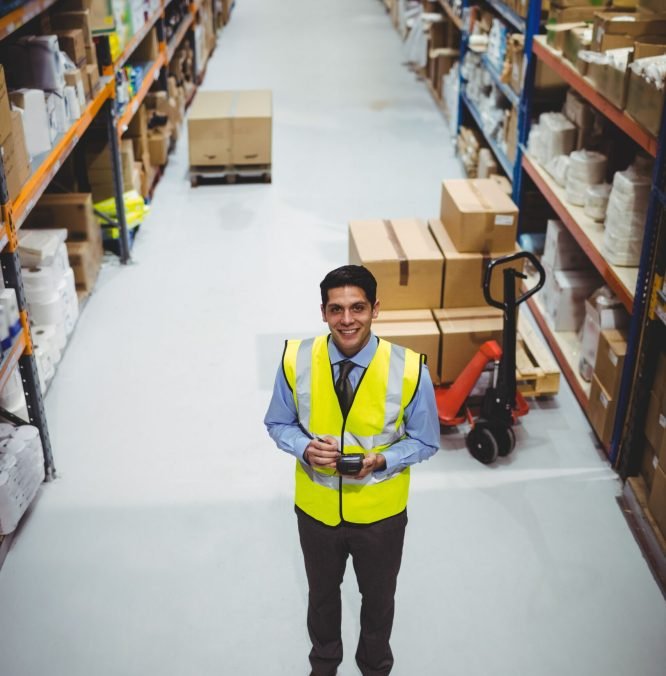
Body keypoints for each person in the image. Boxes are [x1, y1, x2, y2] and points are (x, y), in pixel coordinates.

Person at [264, 264, 440, 676]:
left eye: (357, 308)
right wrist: (304, 448)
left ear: (376, 309)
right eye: (336, 309)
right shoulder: (296, 359)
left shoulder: (410, 369)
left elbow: (426, 440)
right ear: (323, 312)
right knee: (322, 597)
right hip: (317, 511)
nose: (347, 320)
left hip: (380, 517)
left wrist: (382, 460)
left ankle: (375, 667)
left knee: (378, 601)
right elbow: (277, 423)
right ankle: (324, 665)